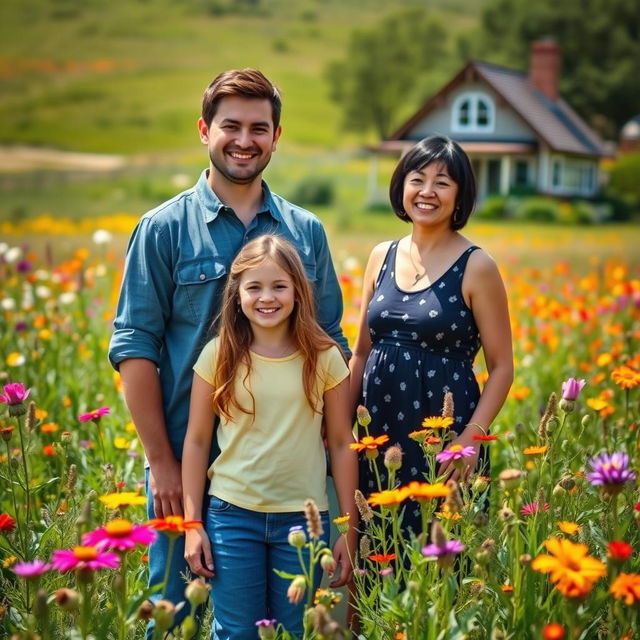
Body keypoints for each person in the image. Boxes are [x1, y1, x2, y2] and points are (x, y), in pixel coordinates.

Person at [108, 68, 350, 624]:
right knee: (173, 611)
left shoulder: (305, 231)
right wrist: (160, 461)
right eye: (231, 126)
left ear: (276, 137)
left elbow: (331, 341)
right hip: (186, 456)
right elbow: (135, 348)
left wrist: (335, 462)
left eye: (259, 128)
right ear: (204, 130)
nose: (245, 140)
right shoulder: (163, 229)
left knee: (283, 623)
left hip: (285, 474)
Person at [182, 234, 357, 639]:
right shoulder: (219, 353)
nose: (267, 298)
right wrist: (193, 524)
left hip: (304, 522)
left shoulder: (325, 356)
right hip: (231, 517)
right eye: (254, 287)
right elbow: (195, 441)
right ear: (237, 294)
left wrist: (348, 531)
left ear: (297, 291)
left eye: (279, 286)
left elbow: (343, 444)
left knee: (293, 631)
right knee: (237, 631)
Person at [349, 135, 513, 535]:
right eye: (417, 178)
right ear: (401, 186)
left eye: (442, 182)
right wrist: (338, 430)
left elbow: (502, 366)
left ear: (460, 196)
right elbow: (360, 353)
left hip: (446, 437)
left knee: (442, 562)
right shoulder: (380, 255)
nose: (426, 191)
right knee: (375, 557)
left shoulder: (477, 266)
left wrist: (469, 440)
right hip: (379, 437)